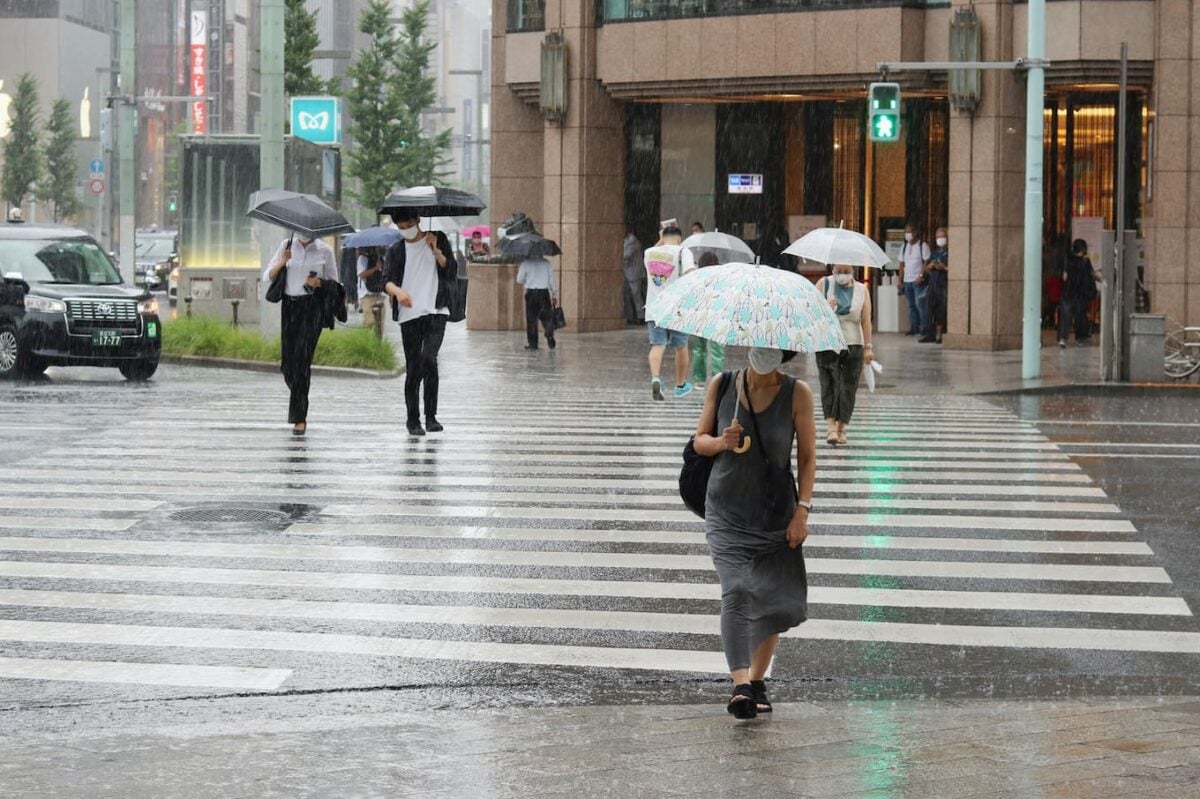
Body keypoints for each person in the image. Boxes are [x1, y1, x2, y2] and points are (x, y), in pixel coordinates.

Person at [692, 348, 816, 720]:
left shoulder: (798, 393)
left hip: (776, 512)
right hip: (726, 508)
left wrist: (802, 511)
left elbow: (808, 457)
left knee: (773, 595)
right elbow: (699, 440)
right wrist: (720, 443)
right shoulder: (723, 383)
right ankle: (741, 684)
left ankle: (757, 681)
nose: (764, 351)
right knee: (738, 588)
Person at [384, 210, 458, 436]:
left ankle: (431, 417)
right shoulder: (395, 250)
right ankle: (413, 419)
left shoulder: (438, 239)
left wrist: (436, 251)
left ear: (417, 221)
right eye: (400, 225)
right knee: (414, 367)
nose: (405, 227)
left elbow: (452, 270)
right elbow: (386, 281)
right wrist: (398, 292)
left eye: (408, 223)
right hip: (410, 315)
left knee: (429, 359)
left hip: (436, 310)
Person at [263, 232, 339, 436]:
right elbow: (267, 275)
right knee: (288, 366)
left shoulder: (325, 251)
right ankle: (299, 394)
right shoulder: (286, 245)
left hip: (311, 309)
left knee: (302, 362)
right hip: (289, 307)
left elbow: (336, 285)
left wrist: (319, 283)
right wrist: (282, 261)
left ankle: (299, 418)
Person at [814, 264, 874, 446]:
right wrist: (825, 307)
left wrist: (868, 347)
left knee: (848, 386)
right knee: (829, 384)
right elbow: (812, 312)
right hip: (828, 343)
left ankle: (841, 428)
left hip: (853, 343)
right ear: (832, 269)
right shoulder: (823, 284)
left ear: (852, 271)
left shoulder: (862, 290)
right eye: (838, 271)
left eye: (845, 271)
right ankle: (831, 427)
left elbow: (866, 320)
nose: (841, 275)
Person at [644, 225, 692, 400]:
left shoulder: (649, 252)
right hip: (677, 308)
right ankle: (680, 385)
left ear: (662, 237)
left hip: (654, 308)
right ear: (680, 239)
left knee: (658, 345)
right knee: (681, 347)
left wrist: (661, 238)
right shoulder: (683, 252)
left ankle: (656, 378)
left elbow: (659, 251)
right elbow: (690, 274)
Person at [690, 252, 725, 386]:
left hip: (699, 316)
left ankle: (699, 379)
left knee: (699, 349)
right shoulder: (722, 279)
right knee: (718, 352)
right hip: (717, 316)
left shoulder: (696, 278)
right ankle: (718, 379)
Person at [1060, 238, 1100, 347]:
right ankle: (1081, 338)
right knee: (1080, 315)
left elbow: (1064, 276)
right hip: (1080, 293)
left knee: (1066, 316)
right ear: (1083, 249)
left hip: (1068, 292)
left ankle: (1063, 338)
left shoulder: (1067, 259)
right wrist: (1102, 280)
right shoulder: (1085, 261)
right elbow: (1092, 274)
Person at [517, 255, 558, 350]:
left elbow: (519, 280)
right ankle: (549, 334)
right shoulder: (546, 263)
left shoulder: (525, 263)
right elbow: (551, 280)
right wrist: (554, 294)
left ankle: (533, 344)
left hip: (531, 293)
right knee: (546, 317)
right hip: (544, 293)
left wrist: (528, 279)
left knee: (531, 319)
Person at [899, 223, 930, 336]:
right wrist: (900, 280)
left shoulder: (922, 245)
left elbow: (927, 262)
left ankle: (925, 328)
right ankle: (914, 327)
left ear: (915, 232)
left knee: (920, 304)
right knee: (911, 305)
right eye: (906, 232)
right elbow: (901, 264)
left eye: (910, 232)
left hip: (918, 281)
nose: (908, 235)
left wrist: (921, 276)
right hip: (907, 281)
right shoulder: (904, 247)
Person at [921, 227, 949, 343]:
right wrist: (929, 267)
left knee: (940, 312)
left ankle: (939, 335)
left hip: (943, 285)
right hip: (933, 284)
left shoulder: (951, 252)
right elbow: (926, 269)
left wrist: (943, 267)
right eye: (938, 237)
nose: (940, 240)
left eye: (942, 237)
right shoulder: (935, 252)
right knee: (929, 309)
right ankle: (929, 333)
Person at [357, 246, 387, 336]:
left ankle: (378, 346)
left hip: (380, 295)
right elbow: (362, 274)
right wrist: (375, 268)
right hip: (367, 296)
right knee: (368, 323)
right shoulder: (362, 259)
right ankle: (366, 346)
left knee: (379, 325)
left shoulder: (383, 259)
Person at [622, 229, 646, 325]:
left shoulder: (632, 241)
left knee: (636, 296)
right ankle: (630, 316)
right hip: (627, 272)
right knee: (627, 295)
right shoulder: (625, 241)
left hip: (634, 273)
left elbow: (626, 255)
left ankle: (641, 317)